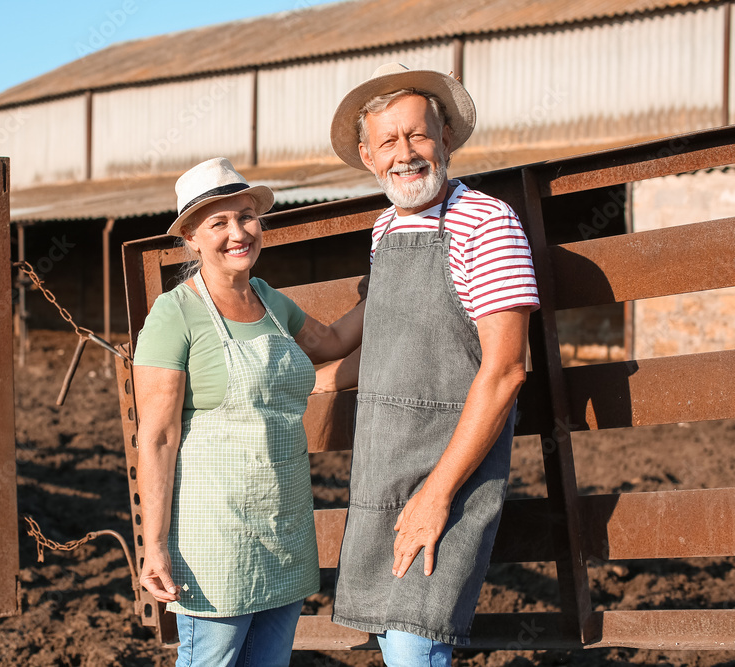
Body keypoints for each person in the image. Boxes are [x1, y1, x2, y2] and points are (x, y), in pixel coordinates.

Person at [319, 64, 541, 665]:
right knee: (397, 641)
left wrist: (437, 493)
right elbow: (391, 339)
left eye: (418, 136)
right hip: (383, 467)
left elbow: (508, 369)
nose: (406, 154)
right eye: (388, 141)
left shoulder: (488, 222)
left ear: (446, 140)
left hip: (452, 468)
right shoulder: (385, 227)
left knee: (418, 644)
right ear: (368, 157)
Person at [132, 157, 363, 667]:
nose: (238, 232)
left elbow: (334, 341)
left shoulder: (269, 300)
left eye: (247, 217)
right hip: (213, 535)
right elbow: (158, 438)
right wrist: (155, 545)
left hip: (283, 524)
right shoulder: (175, 313)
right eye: (219, 222)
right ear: (191, 236)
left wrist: (391, 282)